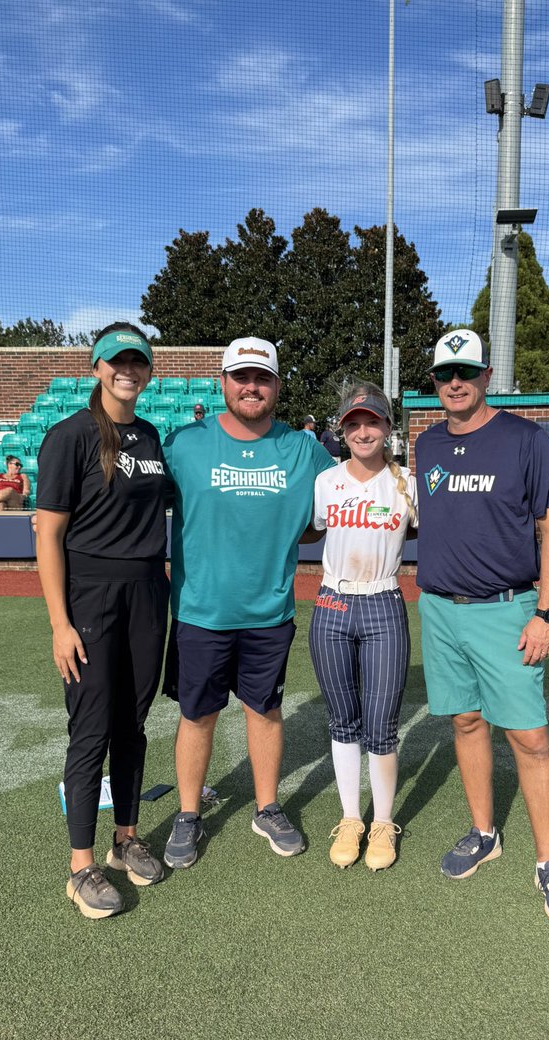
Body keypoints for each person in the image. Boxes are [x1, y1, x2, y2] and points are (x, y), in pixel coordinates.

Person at [413, 329, 549, 924]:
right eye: (443, 374)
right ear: (432, 381)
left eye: (465, 371)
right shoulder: (426, 445)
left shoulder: (526, 440)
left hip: (508, 609)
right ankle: (485, 832)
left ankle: (547, 862)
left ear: (486, 375)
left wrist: (546, 612)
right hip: (439, 607)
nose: (454, 383)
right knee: (464, 721)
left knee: (531, 738)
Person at [162, 337, 333, 869]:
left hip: (269, 611)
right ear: (223, 383)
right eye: (241, 376)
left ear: (277, 385)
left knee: (265, 709)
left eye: (262, 377)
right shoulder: (184, 443)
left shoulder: (305, 449)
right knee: (198, 714)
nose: (251, 386)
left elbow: (340, 501)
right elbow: (129, 499)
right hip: (200, 610)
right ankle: (189, 814)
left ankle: (267, 807)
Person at [36, 323, 170, 920]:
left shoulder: (149, 434)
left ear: (148, 370)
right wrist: (60, 623)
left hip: (147, 593)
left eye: (137, 362)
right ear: (97, 368)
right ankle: (80, 867)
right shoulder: (69, 437)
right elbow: (48, 534)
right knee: (90, 730)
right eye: (117, 361)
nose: (128, 371)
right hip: (90, 597)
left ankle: (125, 840)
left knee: (132, 724)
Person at [309, 382, 418, 871]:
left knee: (382, 725)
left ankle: (383, 822)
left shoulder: (408, 484)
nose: (362, 431)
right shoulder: (326, 483)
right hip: (332, 605)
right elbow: (309, 527)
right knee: (342, 720)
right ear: (342, 430)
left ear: (389, 428)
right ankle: (352, 817)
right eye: (353, 423)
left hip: (383, 604)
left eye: (372, 421)